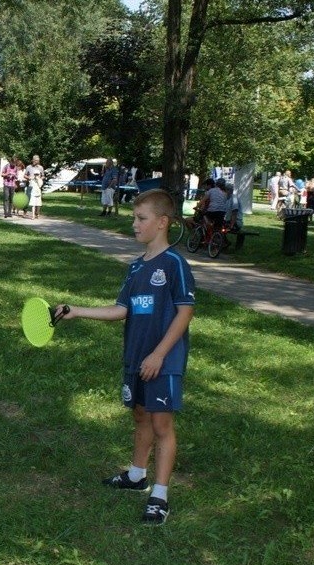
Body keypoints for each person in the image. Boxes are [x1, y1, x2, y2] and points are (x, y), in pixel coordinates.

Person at [54, 189, 195, 525]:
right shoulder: (135, 268)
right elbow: (121, 310)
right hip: (136, 357)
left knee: (161, 424)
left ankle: (159, 496)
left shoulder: (174, 264)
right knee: (141, 415)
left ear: (162, 222)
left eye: (141, 218)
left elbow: (185, 313)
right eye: (134, 218)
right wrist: (77, 311)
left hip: (163, 360)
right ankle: (136, 475)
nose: (134, 224)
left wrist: (158, 355)